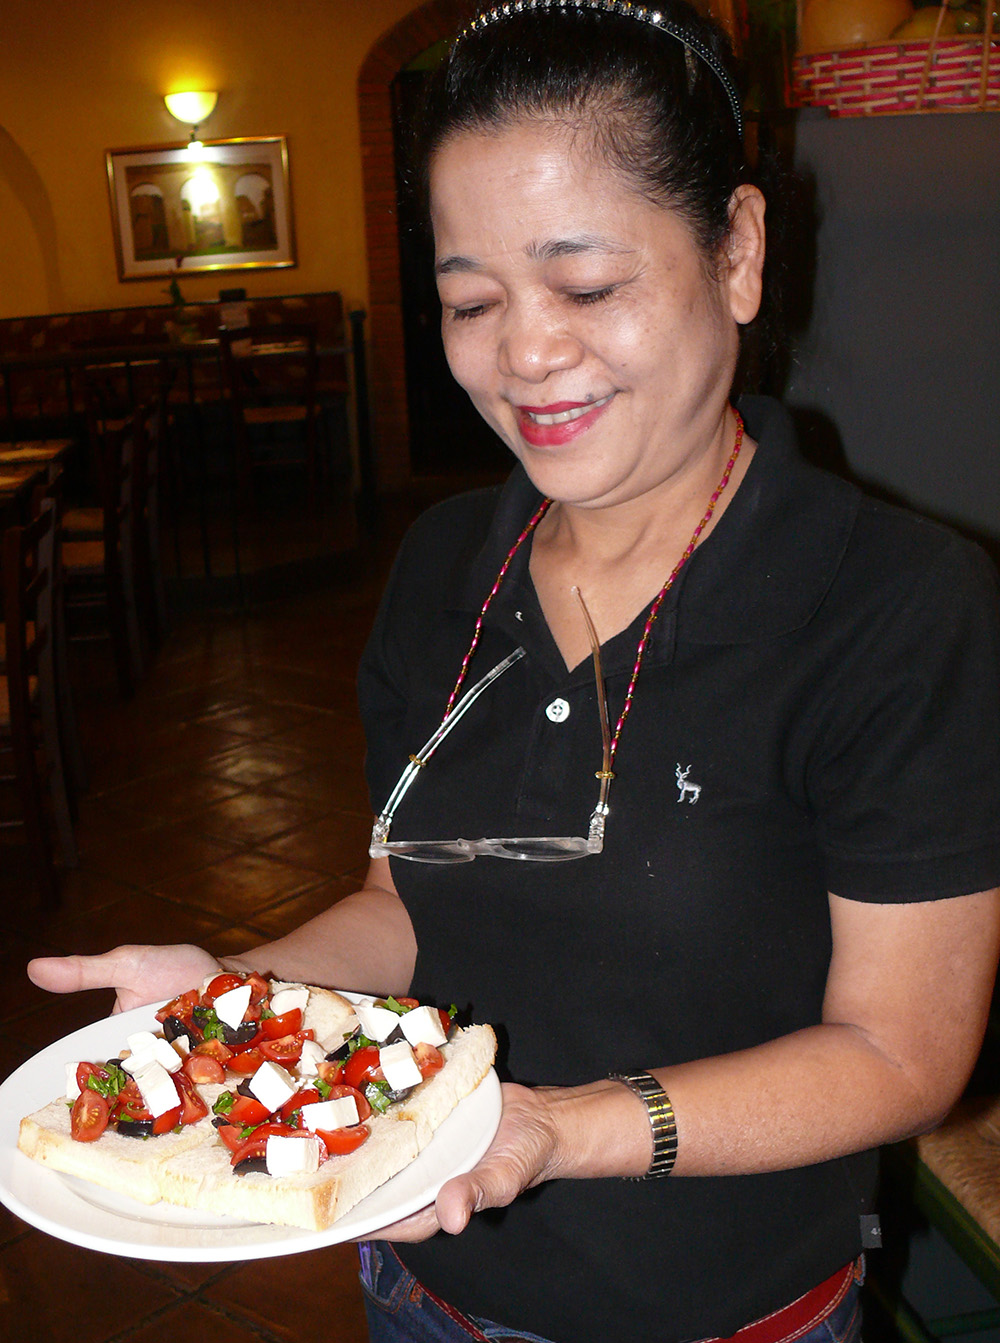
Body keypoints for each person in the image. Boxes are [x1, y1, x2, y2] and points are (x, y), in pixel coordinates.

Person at [28, 3, 1000, 1341]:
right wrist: (234, 1005)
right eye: (471, 300)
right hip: (422, 1295)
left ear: (739, 252)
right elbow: (409, 905)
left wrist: (559, 1131)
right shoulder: (441, 566)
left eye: (587, 286)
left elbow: (904, 1056)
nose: (525, 354)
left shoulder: (894, 608)